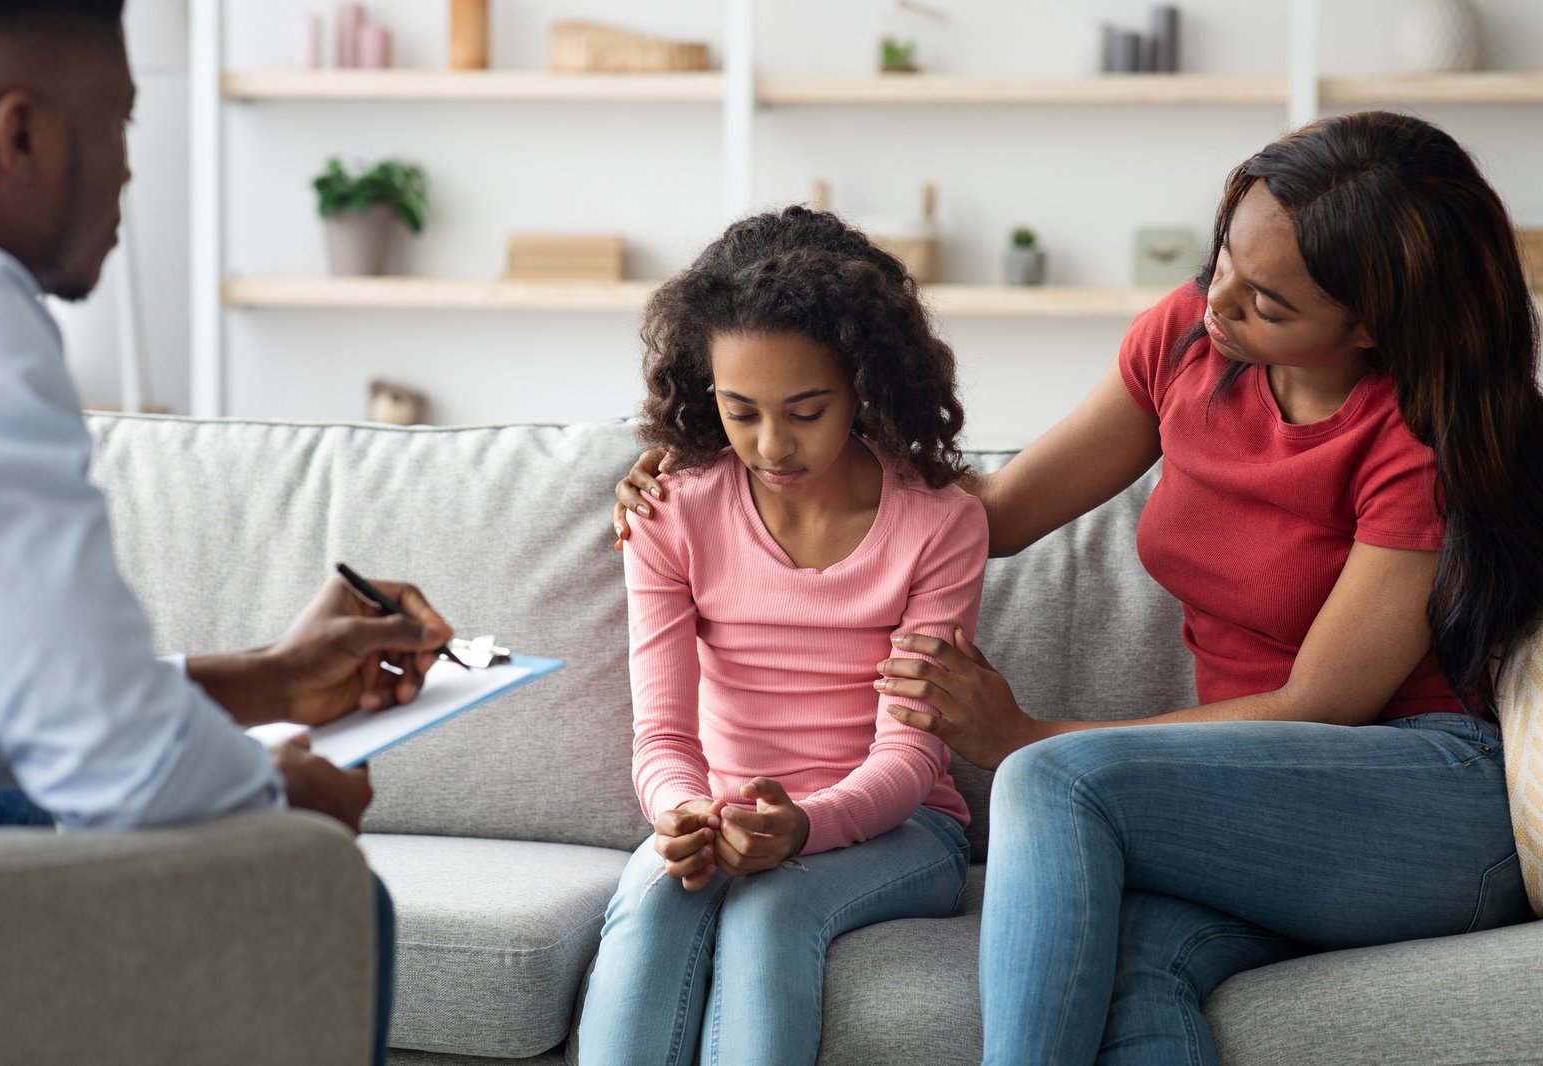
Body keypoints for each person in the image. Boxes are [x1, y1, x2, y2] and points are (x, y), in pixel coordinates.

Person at [615, 111, 1543, 1064]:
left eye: (1266, 302)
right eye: (1221, 260)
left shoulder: (1417, 440)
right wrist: (707, 469)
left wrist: (1027, 739)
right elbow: (995, 513)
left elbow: (1324, 703)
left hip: (1418, 803)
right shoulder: (1187, 340)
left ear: (1373, 326)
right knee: (1129, 986)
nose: (1217, 303)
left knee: (1054, 780)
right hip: (1241, 812)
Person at [0, 4, 457, 1062]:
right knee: (316, 891)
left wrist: (272, 676)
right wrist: (280, 790)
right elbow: (109, 759)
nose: (133, 174)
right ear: (21, 132)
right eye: (123, 125)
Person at [578, 206, 986, 1065]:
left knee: (772, 905)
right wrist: (681, 813)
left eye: (806, 410)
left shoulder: (938, 524)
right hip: (724, 815)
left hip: (902, 831)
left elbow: (911, 762)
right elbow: (662, 736)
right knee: (654, 898)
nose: (771, 445)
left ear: (864, 385)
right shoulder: (670, 513)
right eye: (740, 411)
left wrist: (803, 826)